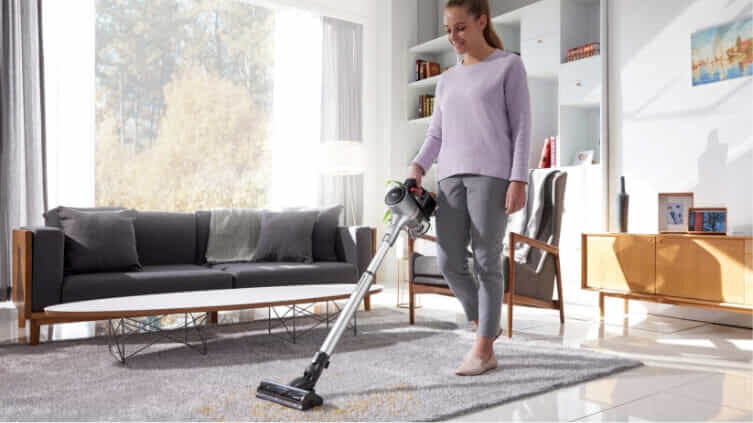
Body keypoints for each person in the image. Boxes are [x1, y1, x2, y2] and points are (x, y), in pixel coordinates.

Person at [409, 0, 531, 376]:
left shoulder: (508, 65)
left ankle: (482, 350)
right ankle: (486, 328)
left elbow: (522, 127)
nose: (454, 36)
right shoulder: (446, 79)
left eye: (460, 27)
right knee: (448, 261)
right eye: (449, 30)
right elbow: (436, 134)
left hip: (492, 176)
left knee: (486, 261)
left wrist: (519, 179)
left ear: (482, 21)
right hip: (449, 178)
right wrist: (417, 168)